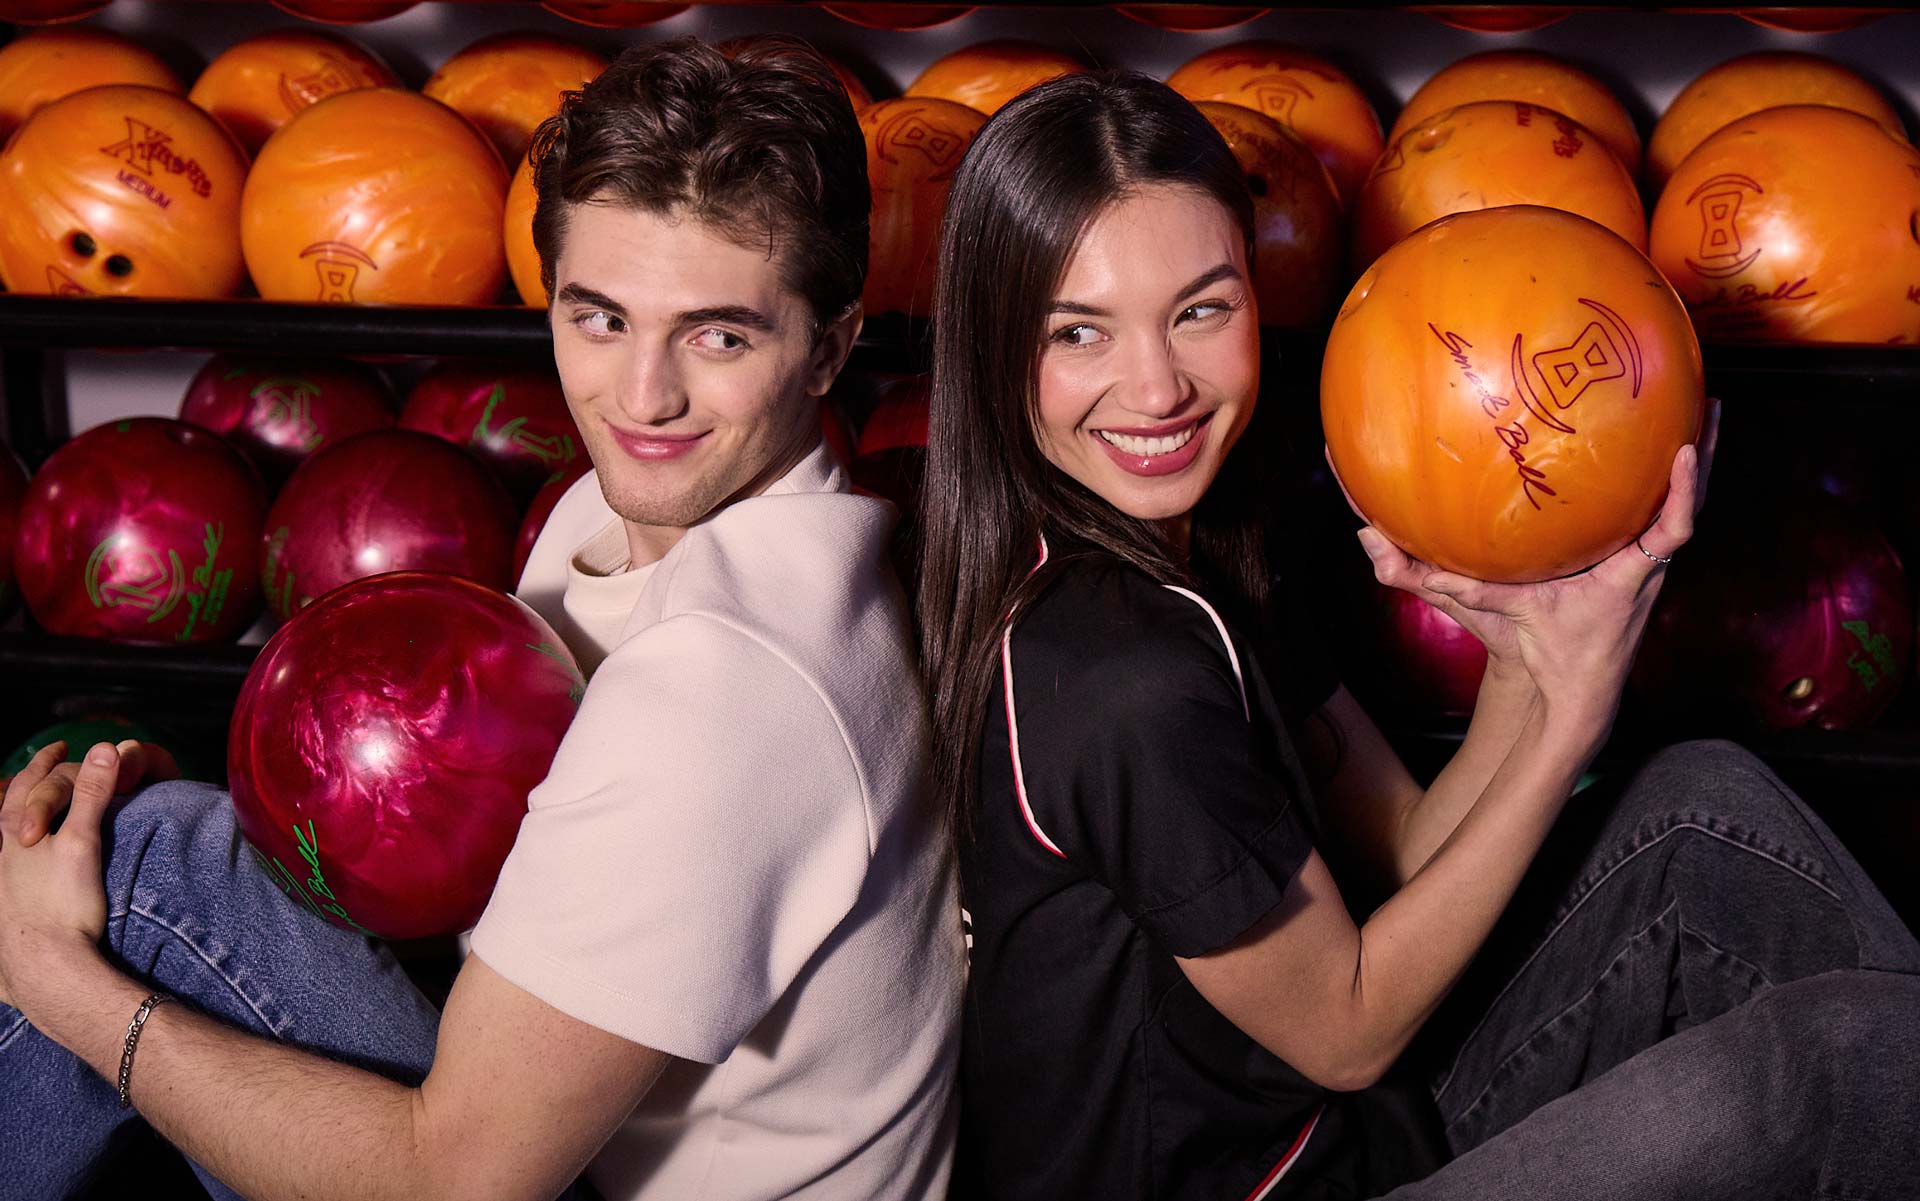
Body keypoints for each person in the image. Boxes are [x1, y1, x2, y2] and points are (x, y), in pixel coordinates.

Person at [918, 70, 1920, 1201]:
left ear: (1261, 291)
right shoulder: (1114, 679)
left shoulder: (1204, 559)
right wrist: (1573, 714)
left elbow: (1412, 846)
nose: (1157, 388)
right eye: (1078, 332)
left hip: (1344, 1136)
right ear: (996, 348)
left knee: (1704, 806)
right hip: (1308, 1148)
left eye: (1202, 308)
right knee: (1827, 1065)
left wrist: (1530, 637)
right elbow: (1347, 1027)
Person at [0, 38, 961, 1201]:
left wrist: (60, 984)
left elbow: (455, 1182)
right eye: (599, 319)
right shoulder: (628, 520)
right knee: (148, 834)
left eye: (718, 335)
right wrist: (275, 809)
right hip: (576, 1131)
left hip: (541, 1177)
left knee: (148, 876)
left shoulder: (725, 688)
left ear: (832, 347)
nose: (643, 398)